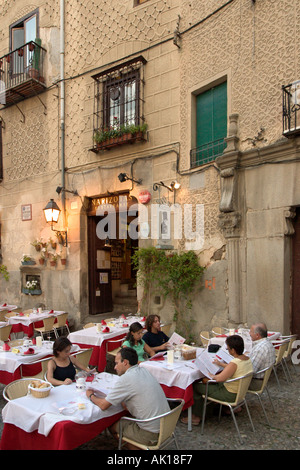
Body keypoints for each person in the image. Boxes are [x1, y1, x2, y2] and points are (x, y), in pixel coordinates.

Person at [86, 347, 170, 450]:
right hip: (167, 426)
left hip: (151, 434)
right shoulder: (143, 369)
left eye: (117, 363)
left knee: (111, 424)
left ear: (125, 362)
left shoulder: (126, 379)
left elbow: (103, 405)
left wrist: (90, 395)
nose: (115, 367)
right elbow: (127, 405)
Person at [181, 335, 253, 425]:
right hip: (239, 392)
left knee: (195, 386)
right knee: (208, 383)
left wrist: (210, 374)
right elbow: (233, 368)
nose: (227, 349)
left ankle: (196, 416)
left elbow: (219, 378)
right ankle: (208, 409)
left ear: (233, 350)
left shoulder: (235, 363)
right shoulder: (246, 359)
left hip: (229, 393)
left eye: (228, 348)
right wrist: (220, 364)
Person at [248, 322, 276, 390]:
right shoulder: (267, 342)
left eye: (251, 331)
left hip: (256, 382)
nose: (249, 333)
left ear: (257, 335)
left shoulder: (259, 349)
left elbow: (251, 371)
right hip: (263, 379)